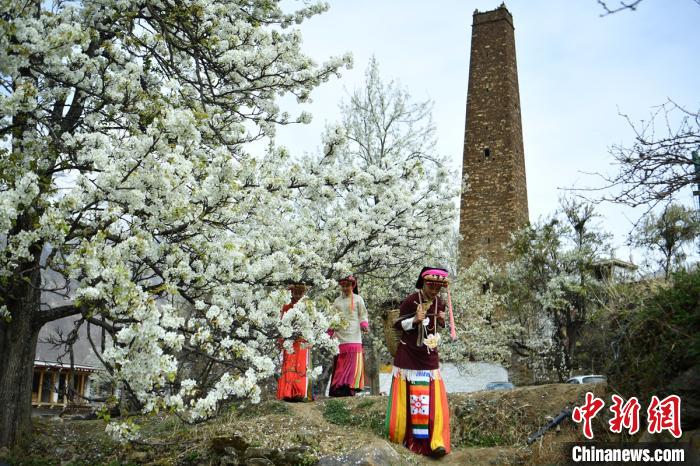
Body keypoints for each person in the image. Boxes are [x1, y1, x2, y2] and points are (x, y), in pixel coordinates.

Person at [385, 267, 456, 457]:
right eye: (431, 287)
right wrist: (415, 320)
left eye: (438, 288)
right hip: (408, 356)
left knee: (431, 400)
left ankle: (435, 442)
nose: (434, 291)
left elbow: (435, 327)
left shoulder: (440, 302)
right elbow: (397, 324)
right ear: (423, 284)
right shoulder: (411, 300)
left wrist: (441, 320)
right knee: (412, 400)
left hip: (429, 356)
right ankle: (409, 441)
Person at [327, 275, 369, 397]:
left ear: (353, 286)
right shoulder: (337, 301)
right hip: (340, 334)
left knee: (352, 361)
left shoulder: (358, 299)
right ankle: (339, 387)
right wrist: (330, 331)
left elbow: (363, 314)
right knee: (341, 362)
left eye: (348, 286)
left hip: (354, 333)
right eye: (343, 286)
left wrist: (364, 324)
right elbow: (333, 317)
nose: (345, 288)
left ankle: (350, 386)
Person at [277, 284, 314, 402]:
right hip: (289, 340)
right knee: (289, 364)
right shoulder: (286, 306)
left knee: (301, 365)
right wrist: (281, 339)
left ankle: (300, 393)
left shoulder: (308, 307)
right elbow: (281, 324)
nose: (297, 295)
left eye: (300, 293)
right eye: (295, 292)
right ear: (291, 293)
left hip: (302, 340)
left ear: (303, 293)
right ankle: (288, 392)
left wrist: (310, 338)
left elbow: (311, 324)